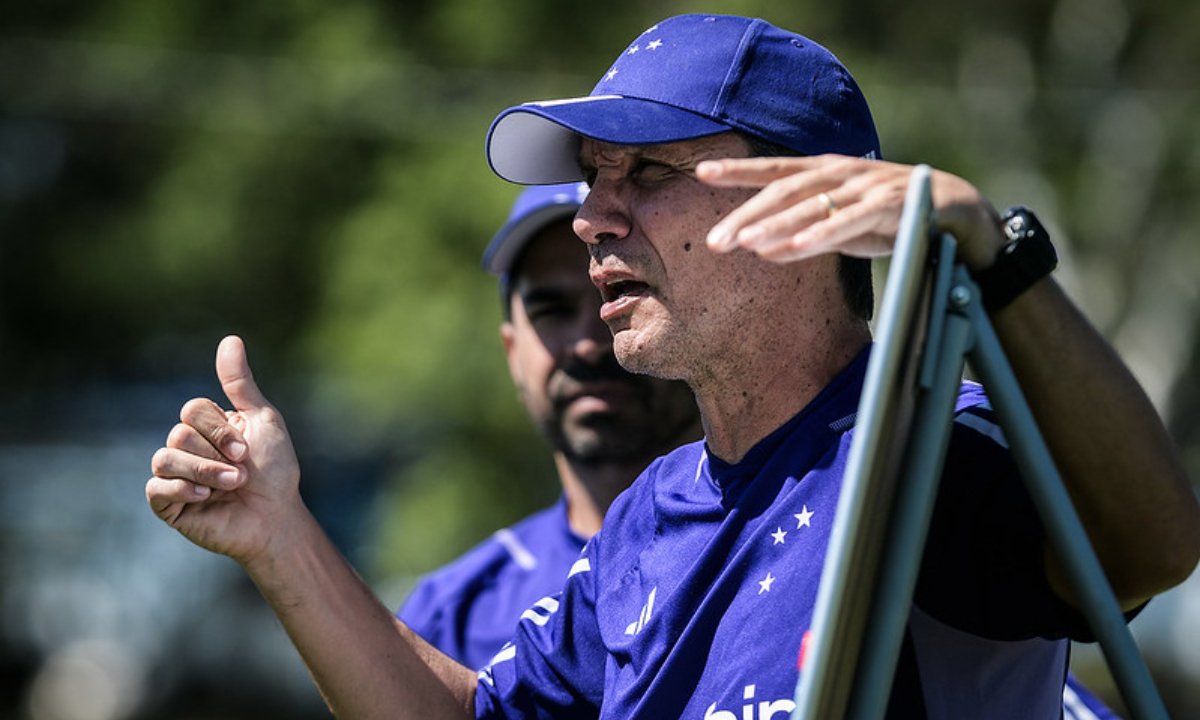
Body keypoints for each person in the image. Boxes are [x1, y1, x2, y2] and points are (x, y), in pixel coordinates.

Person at [146, 13, 1199, 719]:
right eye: (594, 179)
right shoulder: (651, 514)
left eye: (647, 172)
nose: (594, 220)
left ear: (803, 205)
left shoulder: (924, 448)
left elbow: (1148, 554)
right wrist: (279, 537)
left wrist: (988, 246)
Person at [396, 182, 700, 669]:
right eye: (552, 311)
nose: (588, 343)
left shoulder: (783, 540)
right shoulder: (445, 622)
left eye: (619, 295)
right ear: (512, 351)